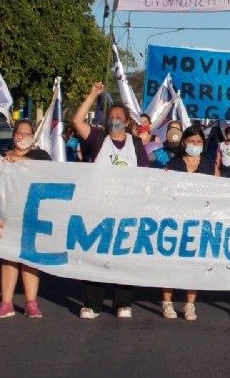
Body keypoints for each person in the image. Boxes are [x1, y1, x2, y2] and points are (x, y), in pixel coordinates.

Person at [72, 82, 151, 320]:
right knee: (96, 253)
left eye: (119, 116)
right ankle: (93, 303)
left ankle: (122, 302)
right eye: (111, 116)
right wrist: (93, 94)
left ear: (127, 122)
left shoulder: (135, 144)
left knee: (123, 255)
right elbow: (76, 121)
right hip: (99, 207)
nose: (114, 119)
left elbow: (145, 174)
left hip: (126, 208)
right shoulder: (97, 138)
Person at [0, 119, 51, 319]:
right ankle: (6, 304)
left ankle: (31, 303)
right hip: (6, 219)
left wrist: (21, 161)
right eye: (18, 132)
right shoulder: (0, 160)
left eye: (27, 133)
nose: (22, 136)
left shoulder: (40, 156)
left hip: (32, 217)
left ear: (33, 137)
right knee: (9, 259)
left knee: (29, 259)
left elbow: (50, 172)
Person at [161, 125, 216, 321]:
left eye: (199, 142)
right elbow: (164, 190)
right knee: (171, 260)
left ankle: (190, 303)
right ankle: (167, 301)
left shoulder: (210, 165)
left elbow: (217, 191)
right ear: (184, 143)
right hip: (175, 218)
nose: (195, 145)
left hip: (199, 218)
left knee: (194, 261)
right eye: (191, 142)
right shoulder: (173, 165)